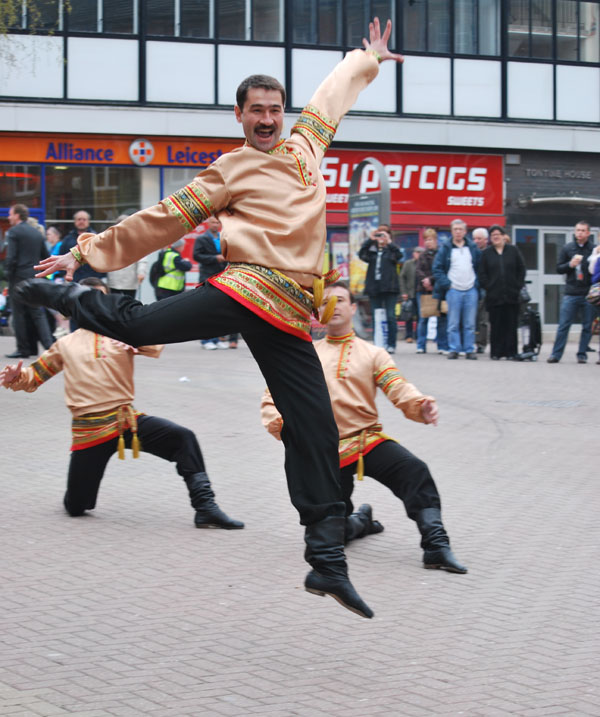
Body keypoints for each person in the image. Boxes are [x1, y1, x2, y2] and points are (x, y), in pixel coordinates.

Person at [19, 17, 403, 620]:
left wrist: (367, 59)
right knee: (141, 325)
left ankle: (327, 558)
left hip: (289, 315)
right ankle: (64, 298)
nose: (268, 118)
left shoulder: (308, 144)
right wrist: (85, 252)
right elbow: (163, 219)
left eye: (275, 108)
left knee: (315, 428)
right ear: (240, 116)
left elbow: (333, 94)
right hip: (247, 288)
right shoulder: (231, 169)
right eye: (257, 110)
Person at [1, 277, 243, 529]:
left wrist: (132, 339)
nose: (96, 305)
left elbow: (156, 343)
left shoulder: (125, 332)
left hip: (127, 421)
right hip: (90, 432)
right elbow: (34, 377)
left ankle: (205, 507)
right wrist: (16, 377)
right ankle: (77, 498)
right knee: (76, 507)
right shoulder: (65, 344)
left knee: (184, 438)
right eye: (90, 299)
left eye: (101, 299)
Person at [261, 282, 467, 574]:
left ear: (354, 308)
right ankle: (360, 521)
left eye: (341, 300)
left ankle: (436, 545)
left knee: (414, 470)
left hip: (365, 440)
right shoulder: (305, 353)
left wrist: (420, 405)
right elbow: (273, 395)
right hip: (323, 452)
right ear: (318, 311)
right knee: (333, 534)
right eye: (327, 301)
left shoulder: (373, 353)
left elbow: (397, 387)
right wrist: (282, 425)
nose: (334, 306)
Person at [4, 204, 54, 358]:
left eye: (11, 214)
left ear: (17, 215)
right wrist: (42, 275)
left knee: (19, 314)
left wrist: (8, 275)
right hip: (34, 277)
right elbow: (45, 256)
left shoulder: (13, 232)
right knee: (37, 313)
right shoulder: (36, 233)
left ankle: (24, 349)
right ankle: (50, 347)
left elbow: (11, 257)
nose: (8, 217)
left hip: (18, 278)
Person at [547, 220, 596, 364]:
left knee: (587, 326)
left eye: (582, 230)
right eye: (577, 230)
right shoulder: (567, 248)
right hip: (571, 293)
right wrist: (570, 264)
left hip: (587, 293)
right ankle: (556, 354)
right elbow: (558, 268)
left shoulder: (593, 249)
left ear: (588, 233)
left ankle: (582, 354)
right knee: (563, 325)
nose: (579, 233)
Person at [433, 218, 480, 360]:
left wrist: (476, 284)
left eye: (460, 229)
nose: (458, 232)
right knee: (453, 323)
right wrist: (447, 284)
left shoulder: (472, 248)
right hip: (453, 290)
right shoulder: (445, 248)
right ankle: (454, 349)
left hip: (471, 290)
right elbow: (437, 268)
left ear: (465, 231)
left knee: (470, 323)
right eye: (455, 229)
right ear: (451, 231)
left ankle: (469, 349)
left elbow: (480, 267)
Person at [478, 225, 526, 360]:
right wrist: (489, 287)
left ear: (504, 236)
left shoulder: (513, 251)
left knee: (511, 324)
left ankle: (511, 352)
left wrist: (517, 286)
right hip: (494, 296)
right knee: (496, 325)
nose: (496, 237)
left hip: (511, 295)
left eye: (498, 234)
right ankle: (496, 352)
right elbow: (482, 274)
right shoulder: (486, 253)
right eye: (493, 235)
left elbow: (521, 269)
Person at [193, 216, 238, 349]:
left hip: (221, 274)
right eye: (213, 222)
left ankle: (216, 338)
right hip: (207, 274)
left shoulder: (222, 237)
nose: (216, 224)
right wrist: (214, 258)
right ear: (208, 223)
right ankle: (206, 340)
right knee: (205, 307)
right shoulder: (202, 238)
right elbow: (196, 256)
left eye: (218, 222)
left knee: (218, 307)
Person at [358, 224, 402, 353]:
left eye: (384, 233)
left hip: (390, 288)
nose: (381, 236)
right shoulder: (372, 251)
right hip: (374, 288)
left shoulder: (392, 251)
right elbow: (361, 254)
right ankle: (378, 342)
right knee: (376, 316)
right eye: (379, 234)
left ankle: (391, 344)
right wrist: (370, 240)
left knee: (390, 316)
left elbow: (399, 256)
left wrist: (389, 243)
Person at [415, 228, 448, 355]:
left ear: (435, 240)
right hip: (423, 289)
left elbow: (442, 269)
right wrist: (425, 280)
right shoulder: (422, 255)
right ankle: (421, 345)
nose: (428, 242)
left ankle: (442, 345)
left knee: (441, 318)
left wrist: (432, 280)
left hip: (438, 289)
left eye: (430, 239)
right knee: (423, 318)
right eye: (426, 240)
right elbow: (418, 270)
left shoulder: (441, 253)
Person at [106, 214, 148, 297]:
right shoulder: (110, 239)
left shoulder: (137, 240)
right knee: (113, 303)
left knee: (129, 303)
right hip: (113, 280)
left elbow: (142, 258)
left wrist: (141, 272)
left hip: (130, 281)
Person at [60, 210, 105, 282]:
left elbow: (102, 258)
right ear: (75, 221)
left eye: (84, 219)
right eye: (79, 219)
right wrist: (63, 274)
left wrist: (100, 276)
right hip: (73, 279)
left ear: (88, 221)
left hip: (92, 279)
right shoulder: (67, 239)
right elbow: (61, 257)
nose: (81, 221)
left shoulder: (96, 238)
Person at [399, 247, 423, 344]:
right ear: (414, 253)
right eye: (417, 252)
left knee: (420, 316)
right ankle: (408, 336)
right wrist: (404, 292)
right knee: (408, 316)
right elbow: (402, 278)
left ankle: (418, 335)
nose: (419, 254)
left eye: (420, 252)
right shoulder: (408, 264)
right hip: (410, 293)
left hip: (421, 293)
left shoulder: (424, 264)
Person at [471, 227, 490, 355]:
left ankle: (481, 344)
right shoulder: (470, 252)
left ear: (486, 240)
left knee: (483, 319)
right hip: (470, 287)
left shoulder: (489, 253)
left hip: (484, 288)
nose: (476, 241)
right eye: (475, 238)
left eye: (479, 238)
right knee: (470, 318)